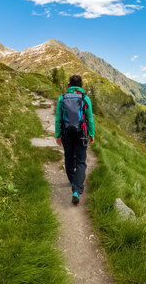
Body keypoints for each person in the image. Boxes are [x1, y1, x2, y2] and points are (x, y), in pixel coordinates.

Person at [55, 74, 95, 204]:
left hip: (66, 133)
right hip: (81, 134)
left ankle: (74, 183)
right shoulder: (85, 98)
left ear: (70, 84)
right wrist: (91, 134)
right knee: (81, 161)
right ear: (80, 85)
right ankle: (76, 190)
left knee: (69, 158)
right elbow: (89, 118)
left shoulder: (62, 98)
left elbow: (58, 119)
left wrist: (58, 135)